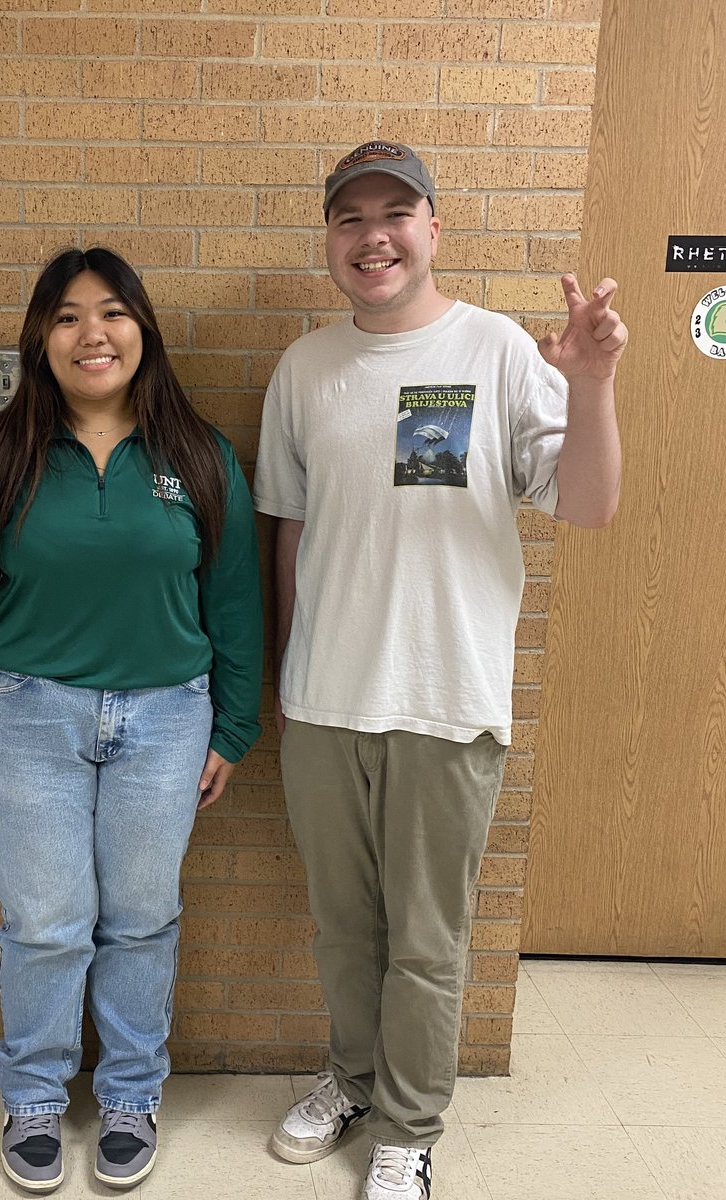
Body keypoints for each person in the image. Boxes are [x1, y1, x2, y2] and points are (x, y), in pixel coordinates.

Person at [255, 141, 626, 1200]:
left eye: (395, 213)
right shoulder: (306, 368)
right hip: (325, 701)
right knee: (342, 926)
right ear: (330, 238)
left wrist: (591, 384)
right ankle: (354, 1076)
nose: (373, 236)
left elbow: (590, 505)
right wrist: (286, 678)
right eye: (350, 218)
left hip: (447, 699)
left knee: (426, 940)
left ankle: (409, 1130)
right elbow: (288, 533)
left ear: (432, 226)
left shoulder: (499, 350)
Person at [0, 246, 262, 1192]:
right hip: (30, 717)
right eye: (65, 316)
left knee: (141, 920)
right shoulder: (4, 450)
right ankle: (38, 1096)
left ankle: (134, 1092)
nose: (90, 333)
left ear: (142, 329)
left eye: (110, 312)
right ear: (40, 339)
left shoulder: (198, 454)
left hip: (168, 719)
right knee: (47, 922)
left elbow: (234, 602)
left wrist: (231, 727)